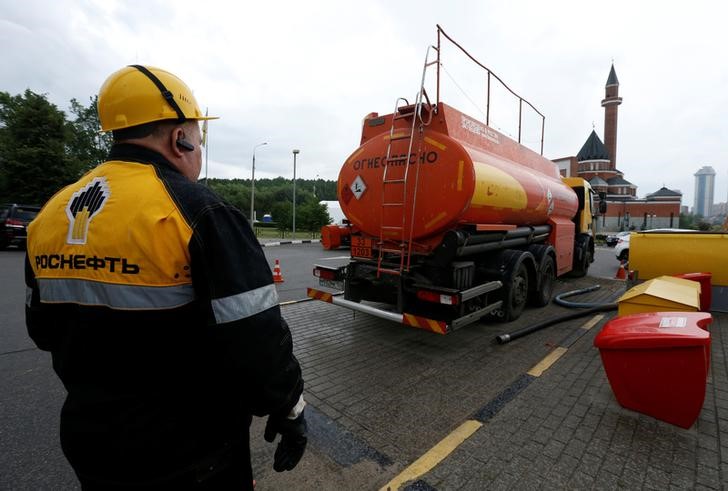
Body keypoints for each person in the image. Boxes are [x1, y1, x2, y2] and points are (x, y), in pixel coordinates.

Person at [25, 65, 307, 490]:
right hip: (191, 454)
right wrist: (289, 408)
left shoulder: (52, 212)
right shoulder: (200, 211)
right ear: (181, 137)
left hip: (92, 442)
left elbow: (42, 330)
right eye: (199, 135)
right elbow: (256, 339)